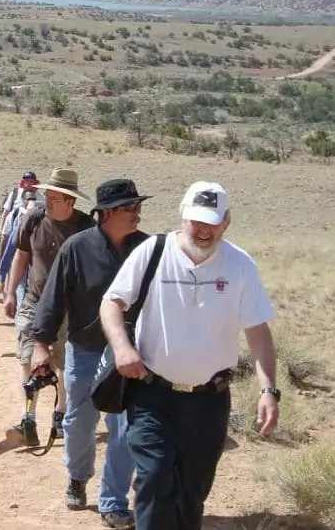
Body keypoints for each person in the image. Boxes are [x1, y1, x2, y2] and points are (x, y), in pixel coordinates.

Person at [100, 181, 280, 530]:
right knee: (153, 479)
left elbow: (257, 330)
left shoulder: (240, 265)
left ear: (226, 222)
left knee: (192, 492)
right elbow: (112, 301)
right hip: (152, 393)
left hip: (209, 402)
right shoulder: (154, 251)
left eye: (212, 222)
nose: (203, 230)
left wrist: (268, 389)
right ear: (183, 217)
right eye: (196, 221)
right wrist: (123, 348)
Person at [32, 179, 152, 528]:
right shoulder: (76, 248)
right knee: (80, 421)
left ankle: (113, 501)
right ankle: (77, 475)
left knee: (124, 426)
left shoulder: (146, 249)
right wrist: (41, 343)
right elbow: (53, 298)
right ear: (107, 213)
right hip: (84, 349)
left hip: (128, 354)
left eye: (138, 206)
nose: (137, 213)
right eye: (130, 207)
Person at [3, 168, 94, 447]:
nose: (48, 200)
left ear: (70, 201)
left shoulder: (86, 228)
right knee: (28, 358)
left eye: (54, 196)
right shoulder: (34, 218)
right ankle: (28, 419)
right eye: (48, 195)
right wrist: (9, 292)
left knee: (62, 362)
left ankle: (61, 413)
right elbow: (22, 254)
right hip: (33, 300)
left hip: (70, 307)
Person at [0, 189, 37, 297]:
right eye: (29, 199)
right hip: (19, 268)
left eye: (34, 199)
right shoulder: (16, 217)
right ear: (23, 200)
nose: (31, 202)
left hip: (36, 272)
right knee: (18, 301)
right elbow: (8, 246)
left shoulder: (40, 219)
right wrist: (1, 277)